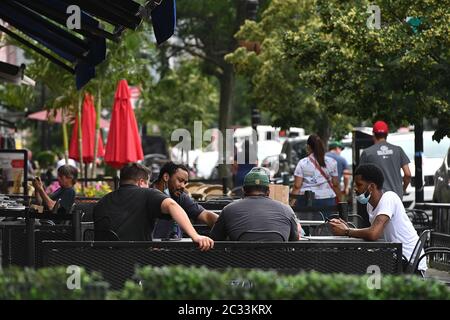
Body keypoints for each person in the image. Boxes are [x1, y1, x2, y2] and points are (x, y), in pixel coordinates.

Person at [329, 163, 427, 275]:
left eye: (359, 185)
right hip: (393, 258)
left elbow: (373, 234)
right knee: (360, 268)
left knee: (364, 272)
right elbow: (374, 234)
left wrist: (346, 231)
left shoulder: (389, 198)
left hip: (409, 264)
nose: (355, 189)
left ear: (371, 187)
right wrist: (346, 228)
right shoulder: (370, 205)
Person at [93, 163, 214, 250]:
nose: (149, 186)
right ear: (141, 182)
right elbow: (171, 205)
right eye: (147, 182)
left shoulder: (102, 201)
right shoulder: (147, 193)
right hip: (138, 262)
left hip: (105, 264)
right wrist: (195, 236)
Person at [210, 168, 300, 241]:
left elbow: (216, 238)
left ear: (243, 190)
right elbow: (295, 239)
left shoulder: (228, 210)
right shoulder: (287, 210)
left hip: (240, 262)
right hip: (279, 262)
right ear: (268, 191)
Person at [151, 162, 218, 239]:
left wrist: (224, 224)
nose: (183, 186)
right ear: (166, 177)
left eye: (185, 182)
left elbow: (205, 215)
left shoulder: (180, 197)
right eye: (180, 180)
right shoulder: (147, 194)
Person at [359, 120, 411, 199]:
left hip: (377, 198)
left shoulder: (367, 153)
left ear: (373, 134)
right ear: (387, 134)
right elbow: (408, 174)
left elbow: (361, 177)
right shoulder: (398, 150)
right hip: (396, 196)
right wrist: (402, 189)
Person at [291, 134, 339, 218]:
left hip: (307, 200)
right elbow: (335, 184)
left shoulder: (303, 163)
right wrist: (341, 200)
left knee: (307, 226)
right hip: (328, 200)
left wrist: (291, 203)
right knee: (326, 227)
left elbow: (297, 186)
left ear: (308, 147)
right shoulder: (332, 162)